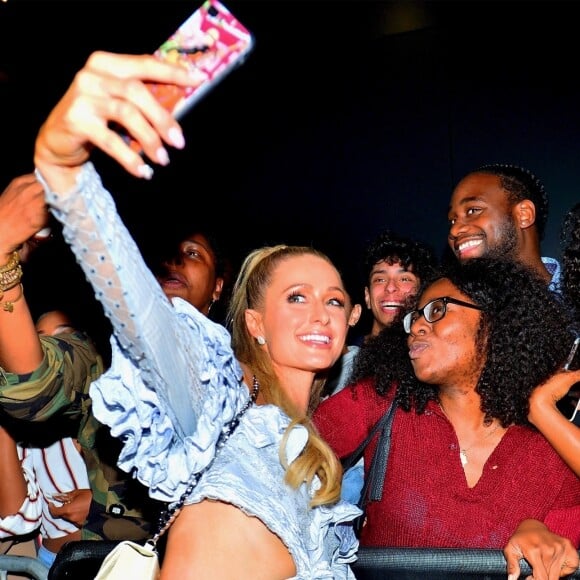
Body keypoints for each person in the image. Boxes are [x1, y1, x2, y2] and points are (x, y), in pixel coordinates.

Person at [29, 51, 359, 578]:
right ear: (254, 323)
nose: (320, 313)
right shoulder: (219, 395)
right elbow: (144, 318)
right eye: (296, 297)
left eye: (335, 300)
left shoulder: (312, 443)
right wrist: (68, 178)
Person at [314, 256, 580, 579]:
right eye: (413, 319)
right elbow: (278, 460)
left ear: (494, 322)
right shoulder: (380, 403)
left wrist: (541, 534)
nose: (417, 327)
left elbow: (561, 545)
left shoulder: (549, 455)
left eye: (437, 310)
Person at [0, 185, 229, 540]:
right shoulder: (104, 358)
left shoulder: (243, 376)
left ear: (218, 286)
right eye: (161, 254)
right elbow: (34, 387)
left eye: (193, 253)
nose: (174, 260)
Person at [447, 163, 559, 291]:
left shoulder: (574, 297)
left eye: (473, 210)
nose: (454, 230)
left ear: (524, 215)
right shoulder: (454, 306)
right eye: (452, 220)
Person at [359, 230, 440, 342]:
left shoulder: (436, 356)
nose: (390, 287)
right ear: (367, 297)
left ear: (423, 293)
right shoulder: (337, 355)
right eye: (380, 279)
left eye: (404, 279)